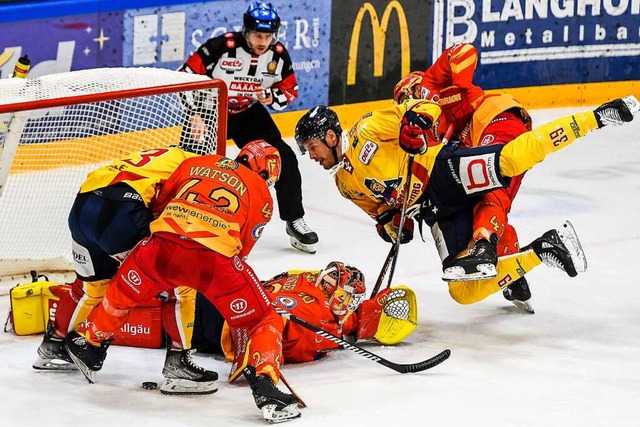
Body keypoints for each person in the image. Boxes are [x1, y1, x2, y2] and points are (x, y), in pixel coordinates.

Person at [293, 95, 639, 305]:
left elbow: (423, 106)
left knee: (509, 160)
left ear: (330, 135)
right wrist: (392, 224)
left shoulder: (367, 129)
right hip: (435, 213)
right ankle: (544, 249)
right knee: (462, 290)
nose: (311, 155)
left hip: (444, 171)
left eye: (312, 147)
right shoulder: (343, 184)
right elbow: (382, 214)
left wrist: (414, 122)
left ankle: (597, 118)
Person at [63, 141, 305, 424]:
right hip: (213, 259)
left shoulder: (196, 163)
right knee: (264, 319)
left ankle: (90, 339)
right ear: (269, 172)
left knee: (122, 289)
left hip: (159, 246)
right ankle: (266, 384)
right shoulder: (261, 191)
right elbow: (243, 247)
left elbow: (162, 202)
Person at [33, 145, 218, 394]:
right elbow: (166, 212)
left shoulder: (167, 155)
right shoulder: (199, 170)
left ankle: (54, 345)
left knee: (92, 287)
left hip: (83, 205)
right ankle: (178, 364)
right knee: (179, 285)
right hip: (120, 211)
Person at [393, 42, 535, 310]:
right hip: (485, 135)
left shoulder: (430, 87)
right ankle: (512, 266)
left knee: (490, 194)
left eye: (404, 98)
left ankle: (485, 246)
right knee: (483, 200)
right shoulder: (427, 133)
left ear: (414, 87)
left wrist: (459, 86)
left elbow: (464, 51)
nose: (404, 107)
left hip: (494, 117)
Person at [179, 1, 318, 254]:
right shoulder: (220, 47)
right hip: (211, 113)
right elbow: (184, 76)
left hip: (248, 113)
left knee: (283, 156)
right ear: (246, 31)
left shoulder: (277, 54)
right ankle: (180, 219)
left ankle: (294, 219)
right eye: (258, 35)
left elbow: (290, 90)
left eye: (268, 35)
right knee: (190, 162)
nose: (263, 41)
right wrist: (194, 114)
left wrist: (271, 98)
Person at [190, 262, 418, 374]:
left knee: (169, 303)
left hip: (218, 297)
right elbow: (272, 325)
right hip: (218, 321)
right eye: (350, 301)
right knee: (165, 317)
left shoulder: (307, 277)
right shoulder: (320, 319)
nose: (350, 305)